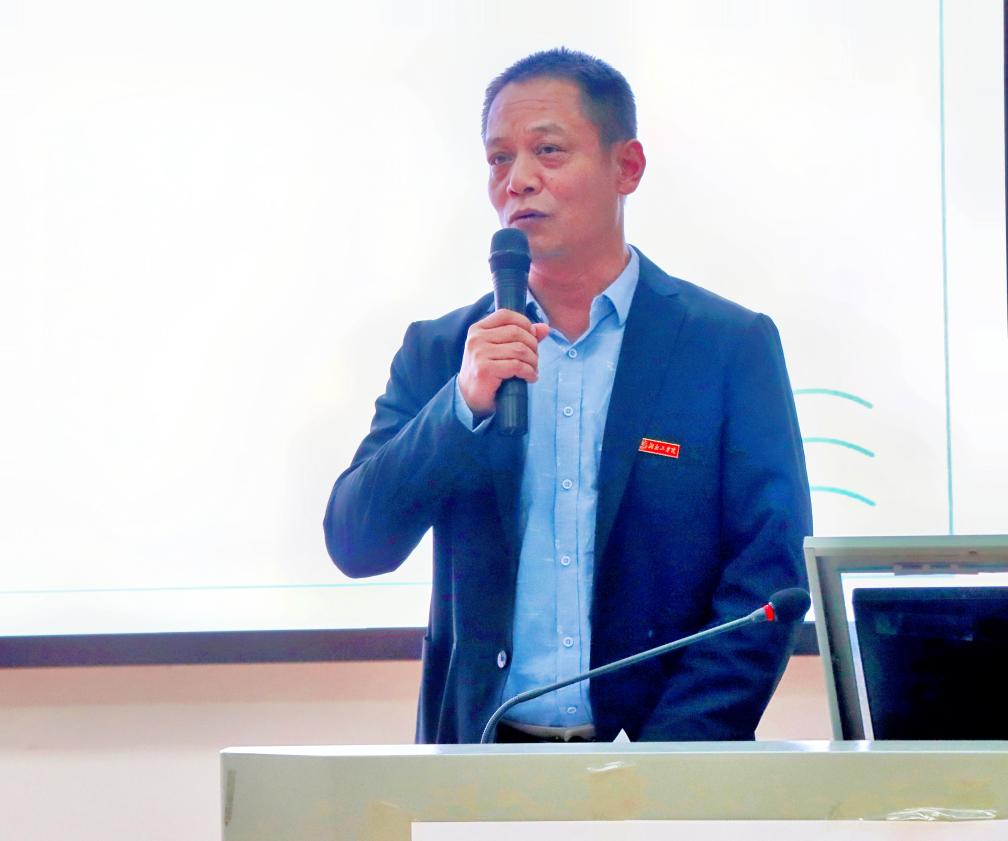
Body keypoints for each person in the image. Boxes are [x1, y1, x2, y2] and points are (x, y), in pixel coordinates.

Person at [325, 48, 812, 744]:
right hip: (478, 766)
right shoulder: (442, 353)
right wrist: (461, 407)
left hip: (666, 763)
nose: (518, 179)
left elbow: (769, 573)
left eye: (548, 151)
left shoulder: (727, 346)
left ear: (627, 167)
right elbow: (356, 542)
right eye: (499, 158)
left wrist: (670, 756)